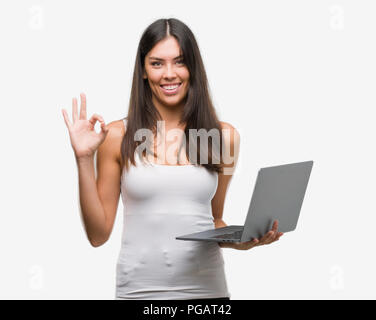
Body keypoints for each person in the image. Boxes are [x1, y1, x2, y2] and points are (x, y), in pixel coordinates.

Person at [62, 18, 283, 300]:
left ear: (193, 68)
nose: (169, 74)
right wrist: (83, 158)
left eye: (179, 62)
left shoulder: (224, 136)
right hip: (139, 293)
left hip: (207, 294)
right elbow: (98, 235)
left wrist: (241, 241)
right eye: (157, 63)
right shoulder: (117, 135)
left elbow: (213, 220)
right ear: (143, 70)